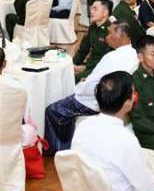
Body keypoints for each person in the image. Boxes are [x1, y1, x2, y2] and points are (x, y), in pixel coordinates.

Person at [44, 22, 138, 153]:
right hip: (114, 98)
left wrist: (80, 86)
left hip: (94, 101)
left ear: (121, 36)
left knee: (53, 110)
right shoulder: (133, 55)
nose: (107, 37)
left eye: (110, 33)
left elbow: (92, 85)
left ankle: (59, 150)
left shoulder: (112, 57)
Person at [73, 0, 114, 81]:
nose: (91, 12)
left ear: (105, 12)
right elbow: (83, 50)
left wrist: (84, 68)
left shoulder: (111, 31)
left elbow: (107, 60)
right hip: (90, 65)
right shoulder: (92, 27)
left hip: (101, 70)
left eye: (95, 9)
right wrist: (73, 63)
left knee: (72, 80)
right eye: (91, 9)